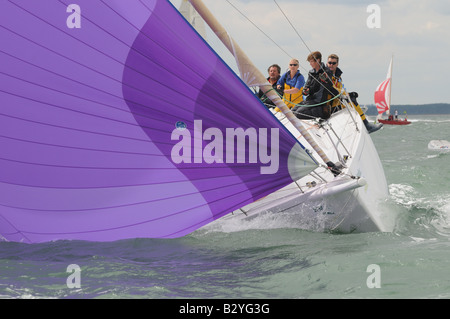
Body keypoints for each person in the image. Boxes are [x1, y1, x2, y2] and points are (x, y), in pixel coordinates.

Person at [326, 54, 382, 133]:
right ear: (327, 63)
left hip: (336, 102)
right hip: (329, 105)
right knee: (352, 101)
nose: (331, 65)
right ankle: (366, 125)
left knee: (352, 99)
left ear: (337, 64)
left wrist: (348, 94)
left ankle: (364, 125)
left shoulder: (337, 76)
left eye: (333, 63)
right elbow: (331, 89)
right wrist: (346, 94)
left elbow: (339, 90)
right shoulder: (326, 75)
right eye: (329, 63)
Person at [292, 51, 337, 120]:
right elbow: (307, 85)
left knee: (298, 113)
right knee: (292, 112)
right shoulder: (311, 72)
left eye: (311, 61)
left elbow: (329, 86)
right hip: (309, 100)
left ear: (318, 60)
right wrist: (305, 91)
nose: (310, 64)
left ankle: (322, 113)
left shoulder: (327, 71)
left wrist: (325, 80)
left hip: (319, 102)